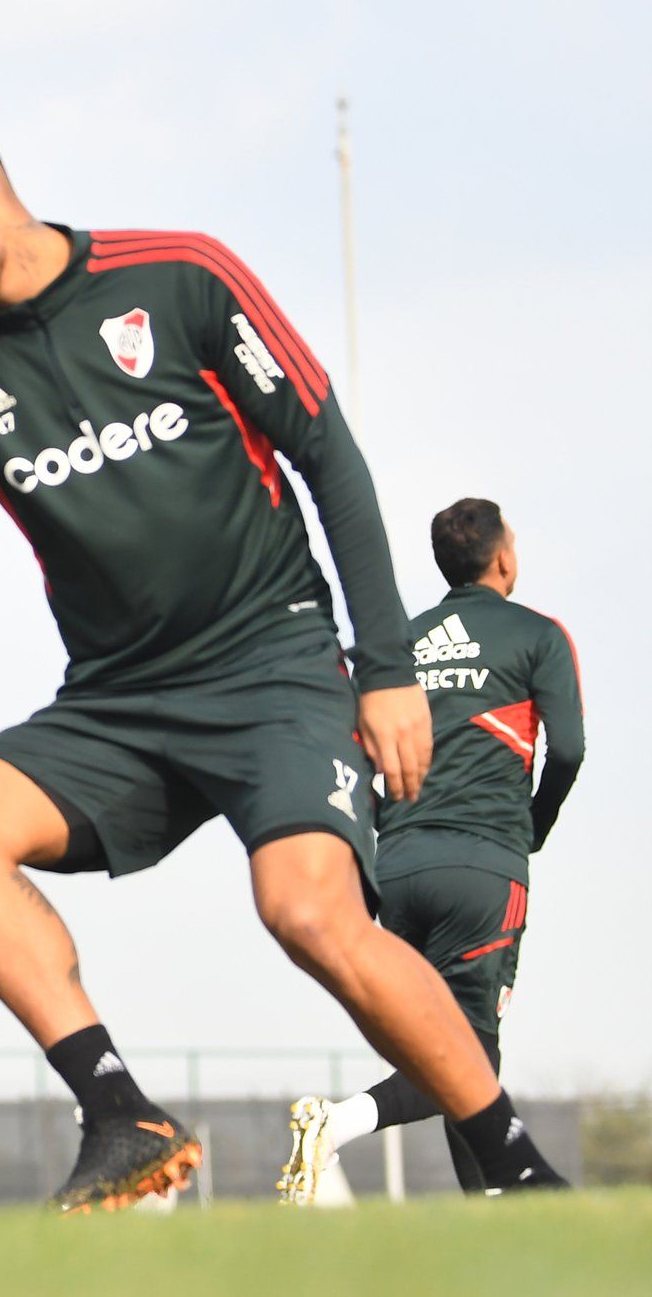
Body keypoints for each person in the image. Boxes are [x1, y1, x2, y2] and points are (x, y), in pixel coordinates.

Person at [0, 115, 566, 1213]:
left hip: (274, 666)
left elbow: (326, 454)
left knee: (307, 912)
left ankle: (514, 1167)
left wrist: (386, 666)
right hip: (115, 705)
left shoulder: (176, 278)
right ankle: (121, 1114)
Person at [280, 500, 584, 1201]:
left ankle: (489, 1211)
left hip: (400, 866)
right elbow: (566, 746)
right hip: (482, 863)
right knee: (467, 1054)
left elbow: (351, 751)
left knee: (453, 1042)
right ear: (503, 557)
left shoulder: (404, 643)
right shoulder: (537, 634)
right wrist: (531, 825)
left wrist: (386, 828)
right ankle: (338, 1121)